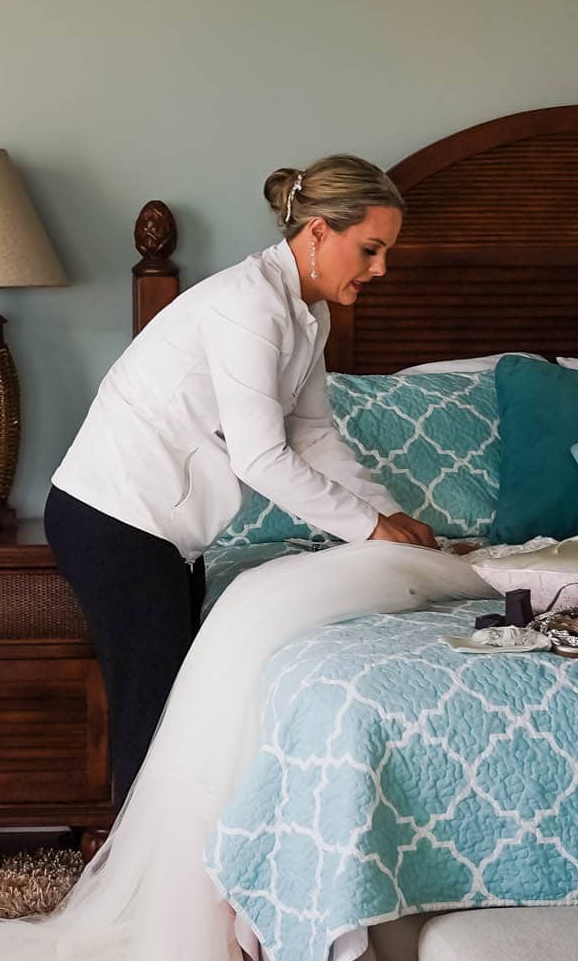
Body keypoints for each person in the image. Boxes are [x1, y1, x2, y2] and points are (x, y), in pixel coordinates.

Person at [45, 154, 436, 803]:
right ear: (316, 232)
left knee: (174, 714)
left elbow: (314, 438)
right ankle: (134, 895)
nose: (380, 269)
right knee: (154, 716)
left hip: (166, 532)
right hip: (113, 518)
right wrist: (369, 529)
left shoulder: (311, 314)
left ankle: (169, 881)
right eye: (370, 249)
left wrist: (394, 521)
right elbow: (261, 457)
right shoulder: (247, 305)